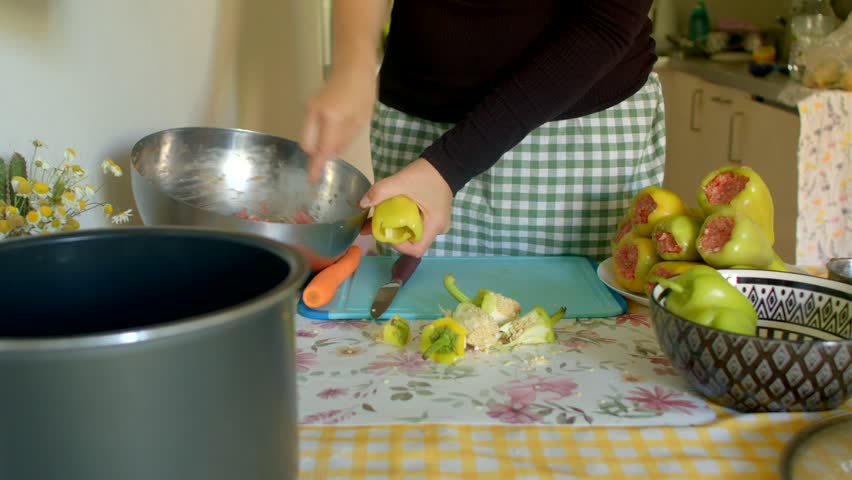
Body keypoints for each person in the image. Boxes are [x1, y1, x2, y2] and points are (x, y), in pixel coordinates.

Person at [300, 0, 664, 261]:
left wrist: (449, 165)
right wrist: (353, 62)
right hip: (417, 126)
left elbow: (605, 23)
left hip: (576, 134)